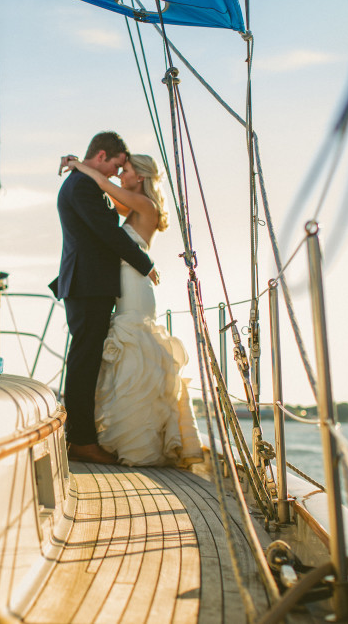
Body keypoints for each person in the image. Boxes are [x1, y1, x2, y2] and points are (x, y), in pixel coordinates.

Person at [63, 153, 204, 467]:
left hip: (135, 287)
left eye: (123, 170)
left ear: (138, 176)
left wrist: (79, 166)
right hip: (125, 286)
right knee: (128, 358)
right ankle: (126, 436)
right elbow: (101, 209)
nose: (118, 175)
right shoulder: (132, 205)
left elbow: (101, 183)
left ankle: (138, 442)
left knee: (135, 352)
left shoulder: (146, 206)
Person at [50, 132, 159, 465]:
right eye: (114, 165)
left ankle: (83, 435)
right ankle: (81, 440)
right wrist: (145, 263)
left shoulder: (84, 181)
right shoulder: (82, 186)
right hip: (88, 284)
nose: (115, 173)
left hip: (89, 283)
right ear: (100, 156)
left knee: (88, 361)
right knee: (85, 362)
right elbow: (106, 232)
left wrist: (77, 164)